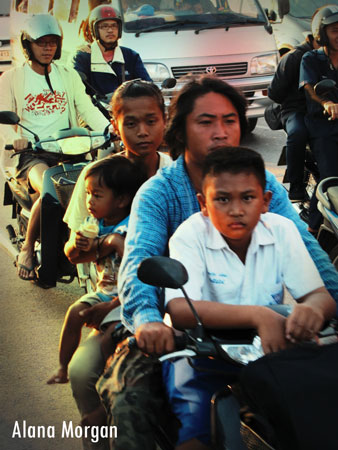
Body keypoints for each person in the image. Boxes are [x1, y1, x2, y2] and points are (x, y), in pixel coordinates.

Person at [96, 75, 338, 450]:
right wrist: (145, 320)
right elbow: (139, 262)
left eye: (229, 121)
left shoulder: (261, 186)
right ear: (181, 130)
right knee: (132, 406)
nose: (221, 132)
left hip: (263, 335)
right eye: (206, 122)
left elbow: (309, 252)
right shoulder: (160, 191)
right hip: (177, 332)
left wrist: (330, 302)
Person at [162, 146, 336, 449]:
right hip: (201, 355)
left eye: (248, 197)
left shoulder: (282, 230)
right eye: (223, 199)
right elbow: (180, 309)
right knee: (196, 435)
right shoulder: (188, 236)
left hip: (270, 355)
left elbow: (318, 296)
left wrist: (313, 312)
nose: (237, 209)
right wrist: (260, 315)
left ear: (266, 201)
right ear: (204, 204)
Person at [61, 79, 172, 450]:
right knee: (80, 372)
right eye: (131, 123)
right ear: (115, 125)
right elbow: (74, 252)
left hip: (170, 305)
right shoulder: (96, 178)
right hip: (112, 301)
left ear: (166, 120)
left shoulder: (176, 176)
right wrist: (81, 247)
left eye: (151, 121)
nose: (142, 132)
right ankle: (95, 430)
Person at [0, 13, 109, 281]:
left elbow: (86, 107)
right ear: (28, 46)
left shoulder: (68, 75)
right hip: (31, 154)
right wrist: (12, 139)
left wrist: (109, 129)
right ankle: (27, 249)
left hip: (70, 148)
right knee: (50, 185)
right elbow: (2, 117)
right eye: (41, 43)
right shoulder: (11, 78)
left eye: (52, 43)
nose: (48, 48)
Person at [47, 156, 145, 386]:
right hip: (104, 290)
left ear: (121, 200)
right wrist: (81, 243)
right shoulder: (96, 221)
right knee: (73, 313)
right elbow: (73, 252)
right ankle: (62, 368)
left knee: (108, 340)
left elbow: (134, 265)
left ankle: (111, 383)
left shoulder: (131, 225)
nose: (89, 201)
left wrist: (113, 244)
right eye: (88, 194)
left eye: (97, 195)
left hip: (125, 294)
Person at [299, 4, 338, 233]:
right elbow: (309, 87)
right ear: (322, 34)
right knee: (331, 179)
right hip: (322, 125)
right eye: (334, 30)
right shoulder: (311, 58)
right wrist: (327, 103)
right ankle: (313, 231)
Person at [268, 33, 320, 202]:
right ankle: (296, 187)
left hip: (323, 109)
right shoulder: (293, 58)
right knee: (298, 133)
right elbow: (275, 93)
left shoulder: (330, 57)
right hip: (295, 110)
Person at [73, 4, 151, 98]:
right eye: (104, 26)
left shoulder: (131, 56)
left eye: (114, 26)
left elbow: (147, 88)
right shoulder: (82, 57)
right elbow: (76, 92)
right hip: (94, 111)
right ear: (94, 30)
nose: (110, 30)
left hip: (126, 111)